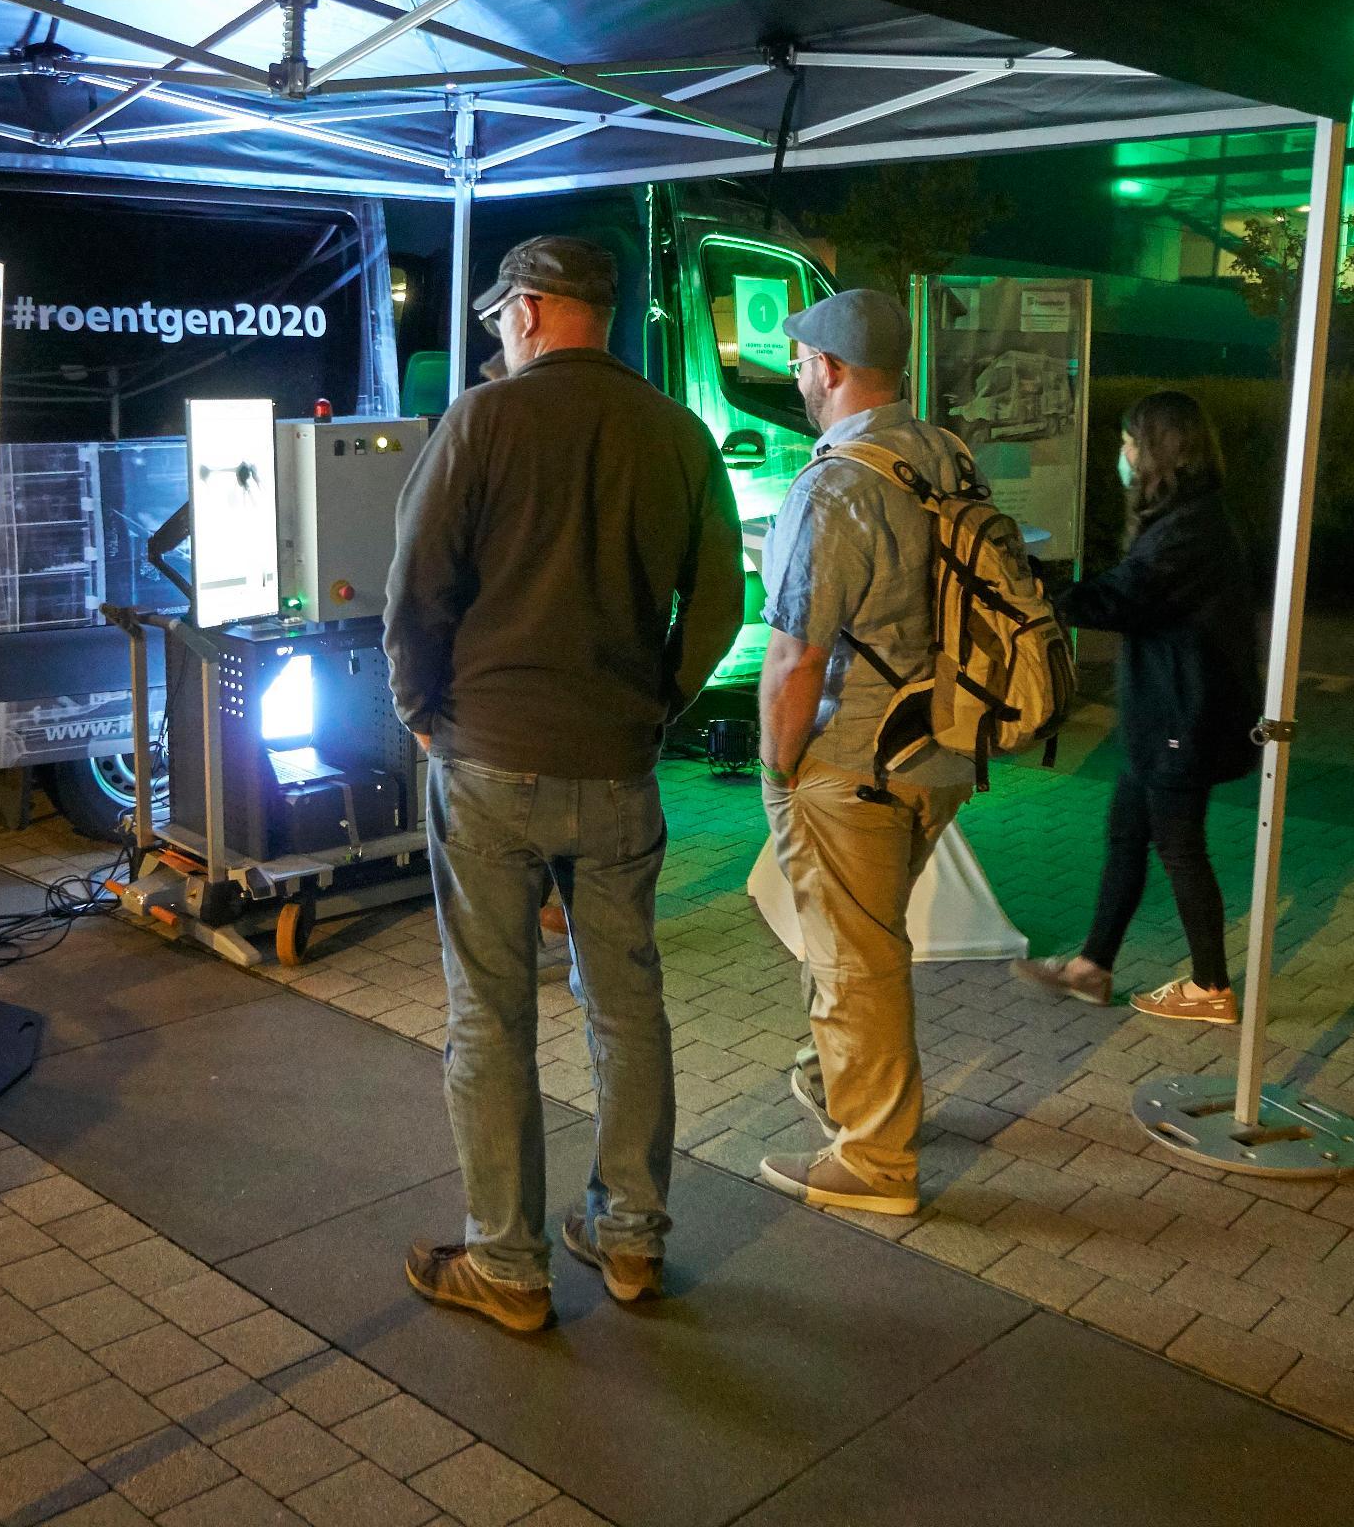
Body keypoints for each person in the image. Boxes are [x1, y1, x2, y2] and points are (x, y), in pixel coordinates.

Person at [383, 234, 745, 1330]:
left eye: (502, 316)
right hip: (618, 766)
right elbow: (720, 605)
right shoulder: (681, 434)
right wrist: (657, 704)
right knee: (628, 1005)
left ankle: (508, 1262)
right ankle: (629, 1240)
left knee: (489, 1014)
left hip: (487, 753)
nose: (498, 334)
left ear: (534, 312)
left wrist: (421, 708)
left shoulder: (482, 422)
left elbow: (416, 586)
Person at [753, 288, 975, 1217]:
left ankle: (875, 1160)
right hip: (943, 749)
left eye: (803, 360)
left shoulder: (834, 484)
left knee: (857, 961)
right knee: (864, 938)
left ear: (832, 369)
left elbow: (798, 654)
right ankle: (841, 1084)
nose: (799, 374)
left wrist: (777, 766)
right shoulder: (945, 457)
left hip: (854, 757)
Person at [1017, 389, 1261, 1023]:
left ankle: (1211, 988)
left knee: (1180, 848)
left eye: (1129, 444)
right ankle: (1092, 968)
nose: (1121, 456)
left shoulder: (1191, 529)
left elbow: (1121, 600)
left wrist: (1037, 584)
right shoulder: (1183, 518)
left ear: (1157, 451)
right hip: (1162, 717)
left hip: (1184, 717)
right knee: (1127, 835)